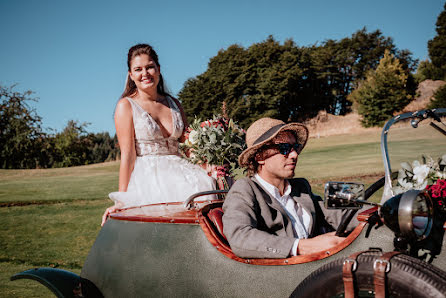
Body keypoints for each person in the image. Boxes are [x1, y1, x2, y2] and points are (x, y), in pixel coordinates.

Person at [102, 44, 215, 226]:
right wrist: (122, 199)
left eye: (149, 67)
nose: (145, 73)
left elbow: (187, 147)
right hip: (149, 178)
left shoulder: (174, 103)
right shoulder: (126, 106)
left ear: (158, 69)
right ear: (131, 75)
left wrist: (207, 165)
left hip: (182, 172)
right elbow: (128, 155)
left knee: (207, 194)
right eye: (138, 69)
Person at [222, 117, 358, 258]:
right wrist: (303, 246)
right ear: (260, 157)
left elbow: (338, 212)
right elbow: (240, 237)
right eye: (284, 149)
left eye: (295, 148)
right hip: (285, 274)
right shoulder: (245, 188)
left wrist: (375, 211)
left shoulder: (301, 186)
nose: (294, 155)